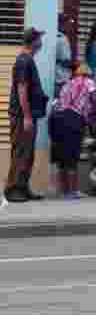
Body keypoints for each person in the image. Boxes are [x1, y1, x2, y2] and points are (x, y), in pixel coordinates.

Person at [5, 28, 48, 204]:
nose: (42, 41)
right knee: (21, 152)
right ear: (34, 41)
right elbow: (22, 89)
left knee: (28, 154)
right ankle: (13, 190)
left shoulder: (28, 60)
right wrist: (27, 117)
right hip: (22, 117)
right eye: (39, 38)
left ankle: (23, 187)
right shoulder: (23, 61)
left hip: (28, 116)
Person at [50, 63, 96, 200]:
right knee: (72, 155)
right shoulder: (89, 82)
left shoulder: (67, 83)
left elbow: (59, 102)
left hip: (56, 118)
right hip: (73, 118)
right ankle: (73, 192)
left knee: (61, 156)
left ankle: (63, 191)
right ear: (88, 74)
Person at [54, 14, 74, 100]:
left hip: (56, 78)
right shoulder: (62, 39)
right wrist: (77, 66)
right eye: (68, 24)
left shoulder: (54, 36)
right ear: (62, 24)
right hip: (62, 79)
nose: (70, 26)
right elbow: (65, 61)